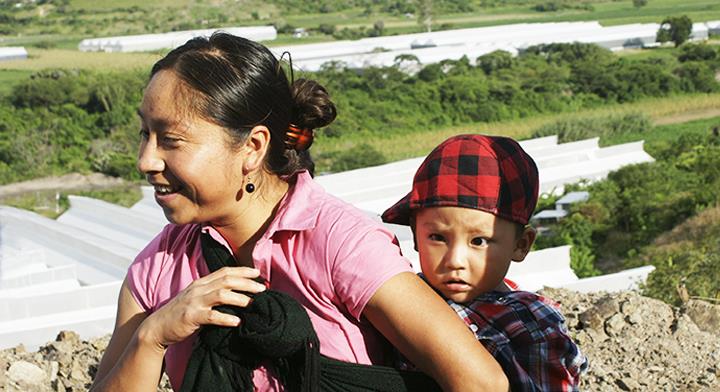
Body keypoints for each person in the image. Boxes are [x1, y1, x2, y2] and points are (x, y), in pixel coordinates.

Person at [90, 33, 508, 391]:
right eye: (145, 134)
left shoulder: (340, 244)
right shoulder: (160, 267)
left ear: (253, 146)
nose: (146, 160)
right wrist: (154, 335)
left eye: (171, 140)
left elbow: (480, 381)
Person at [382, 134, 588, 391]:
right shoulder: (403, 293)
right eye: (437, 237)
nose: (455, 261)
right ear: (415, 235)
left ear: (521, 244)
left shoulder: (531, 325)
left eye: (479, 241)